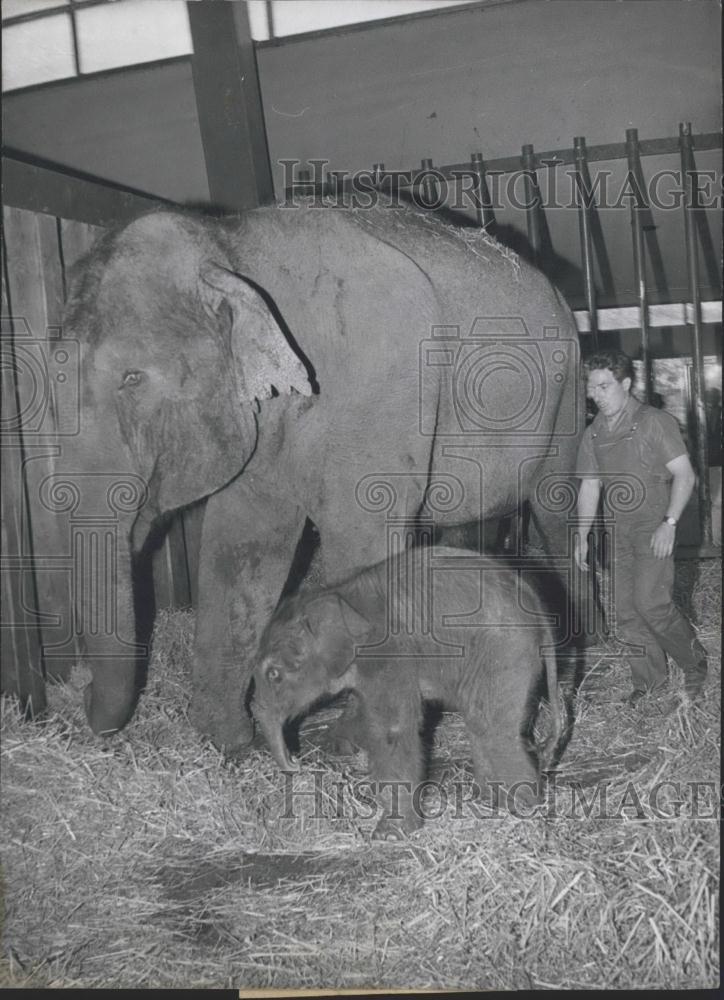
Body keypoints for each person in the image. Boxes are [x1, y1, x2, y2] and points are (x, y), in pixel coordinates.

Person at [574, 349, 708, 706]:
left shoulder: (655, 422)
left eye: (603, 387)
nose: (595, 395)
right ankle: (650, 681)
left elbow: (685, 475)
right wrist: (581, 535)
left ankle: (694, 662)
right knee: (626, 612)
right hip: (617, 530)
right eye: (591, 388)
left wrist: (669, 523)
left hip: (652, 525)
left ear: (626, 384)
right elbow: (590, 486)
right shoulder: (594, 433)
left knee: (651, 604)